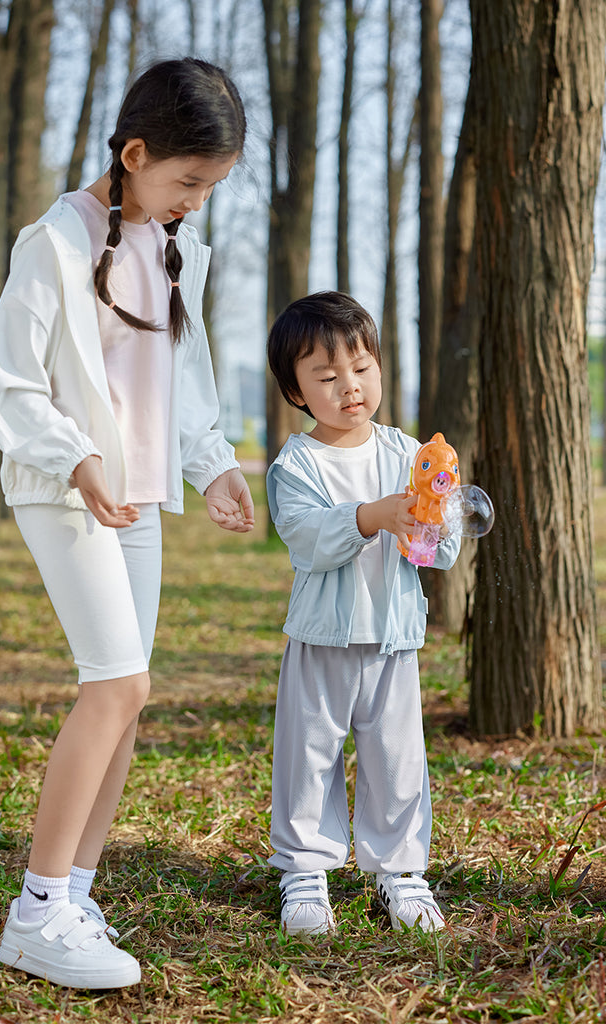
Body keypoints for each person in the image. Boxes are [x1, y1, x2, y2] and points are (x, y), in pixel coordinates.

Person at [0, 57, 254, 989]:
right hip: (65, 491)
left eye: (212, 188)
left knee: (130, 697)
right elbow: (8, 383)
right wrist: (80, 460)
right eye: (188, 182)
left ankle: (76, 892)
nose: (198, 202)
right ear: (134, 154)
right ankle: (36, 911)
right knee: (115, 683)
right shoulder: (52, 243)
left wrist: (213, 465)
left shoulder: (175, 249)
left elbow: (179, 383)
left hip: (135, 500)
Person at [265, 291, 459, 937]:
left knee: (398, 757)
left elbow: (442, 546)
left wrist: (437, 512)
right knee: (310, 754)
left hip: (392, 639)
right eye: (325, 376)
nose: (349, 386)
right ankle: (305, 873)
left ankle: (400, 874)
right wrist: (373, 517)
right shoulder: (298, 463)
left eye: (362, 367)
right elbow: (305, 539)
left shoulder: (410, 452)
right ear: (297, 392)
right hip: (322, 638)